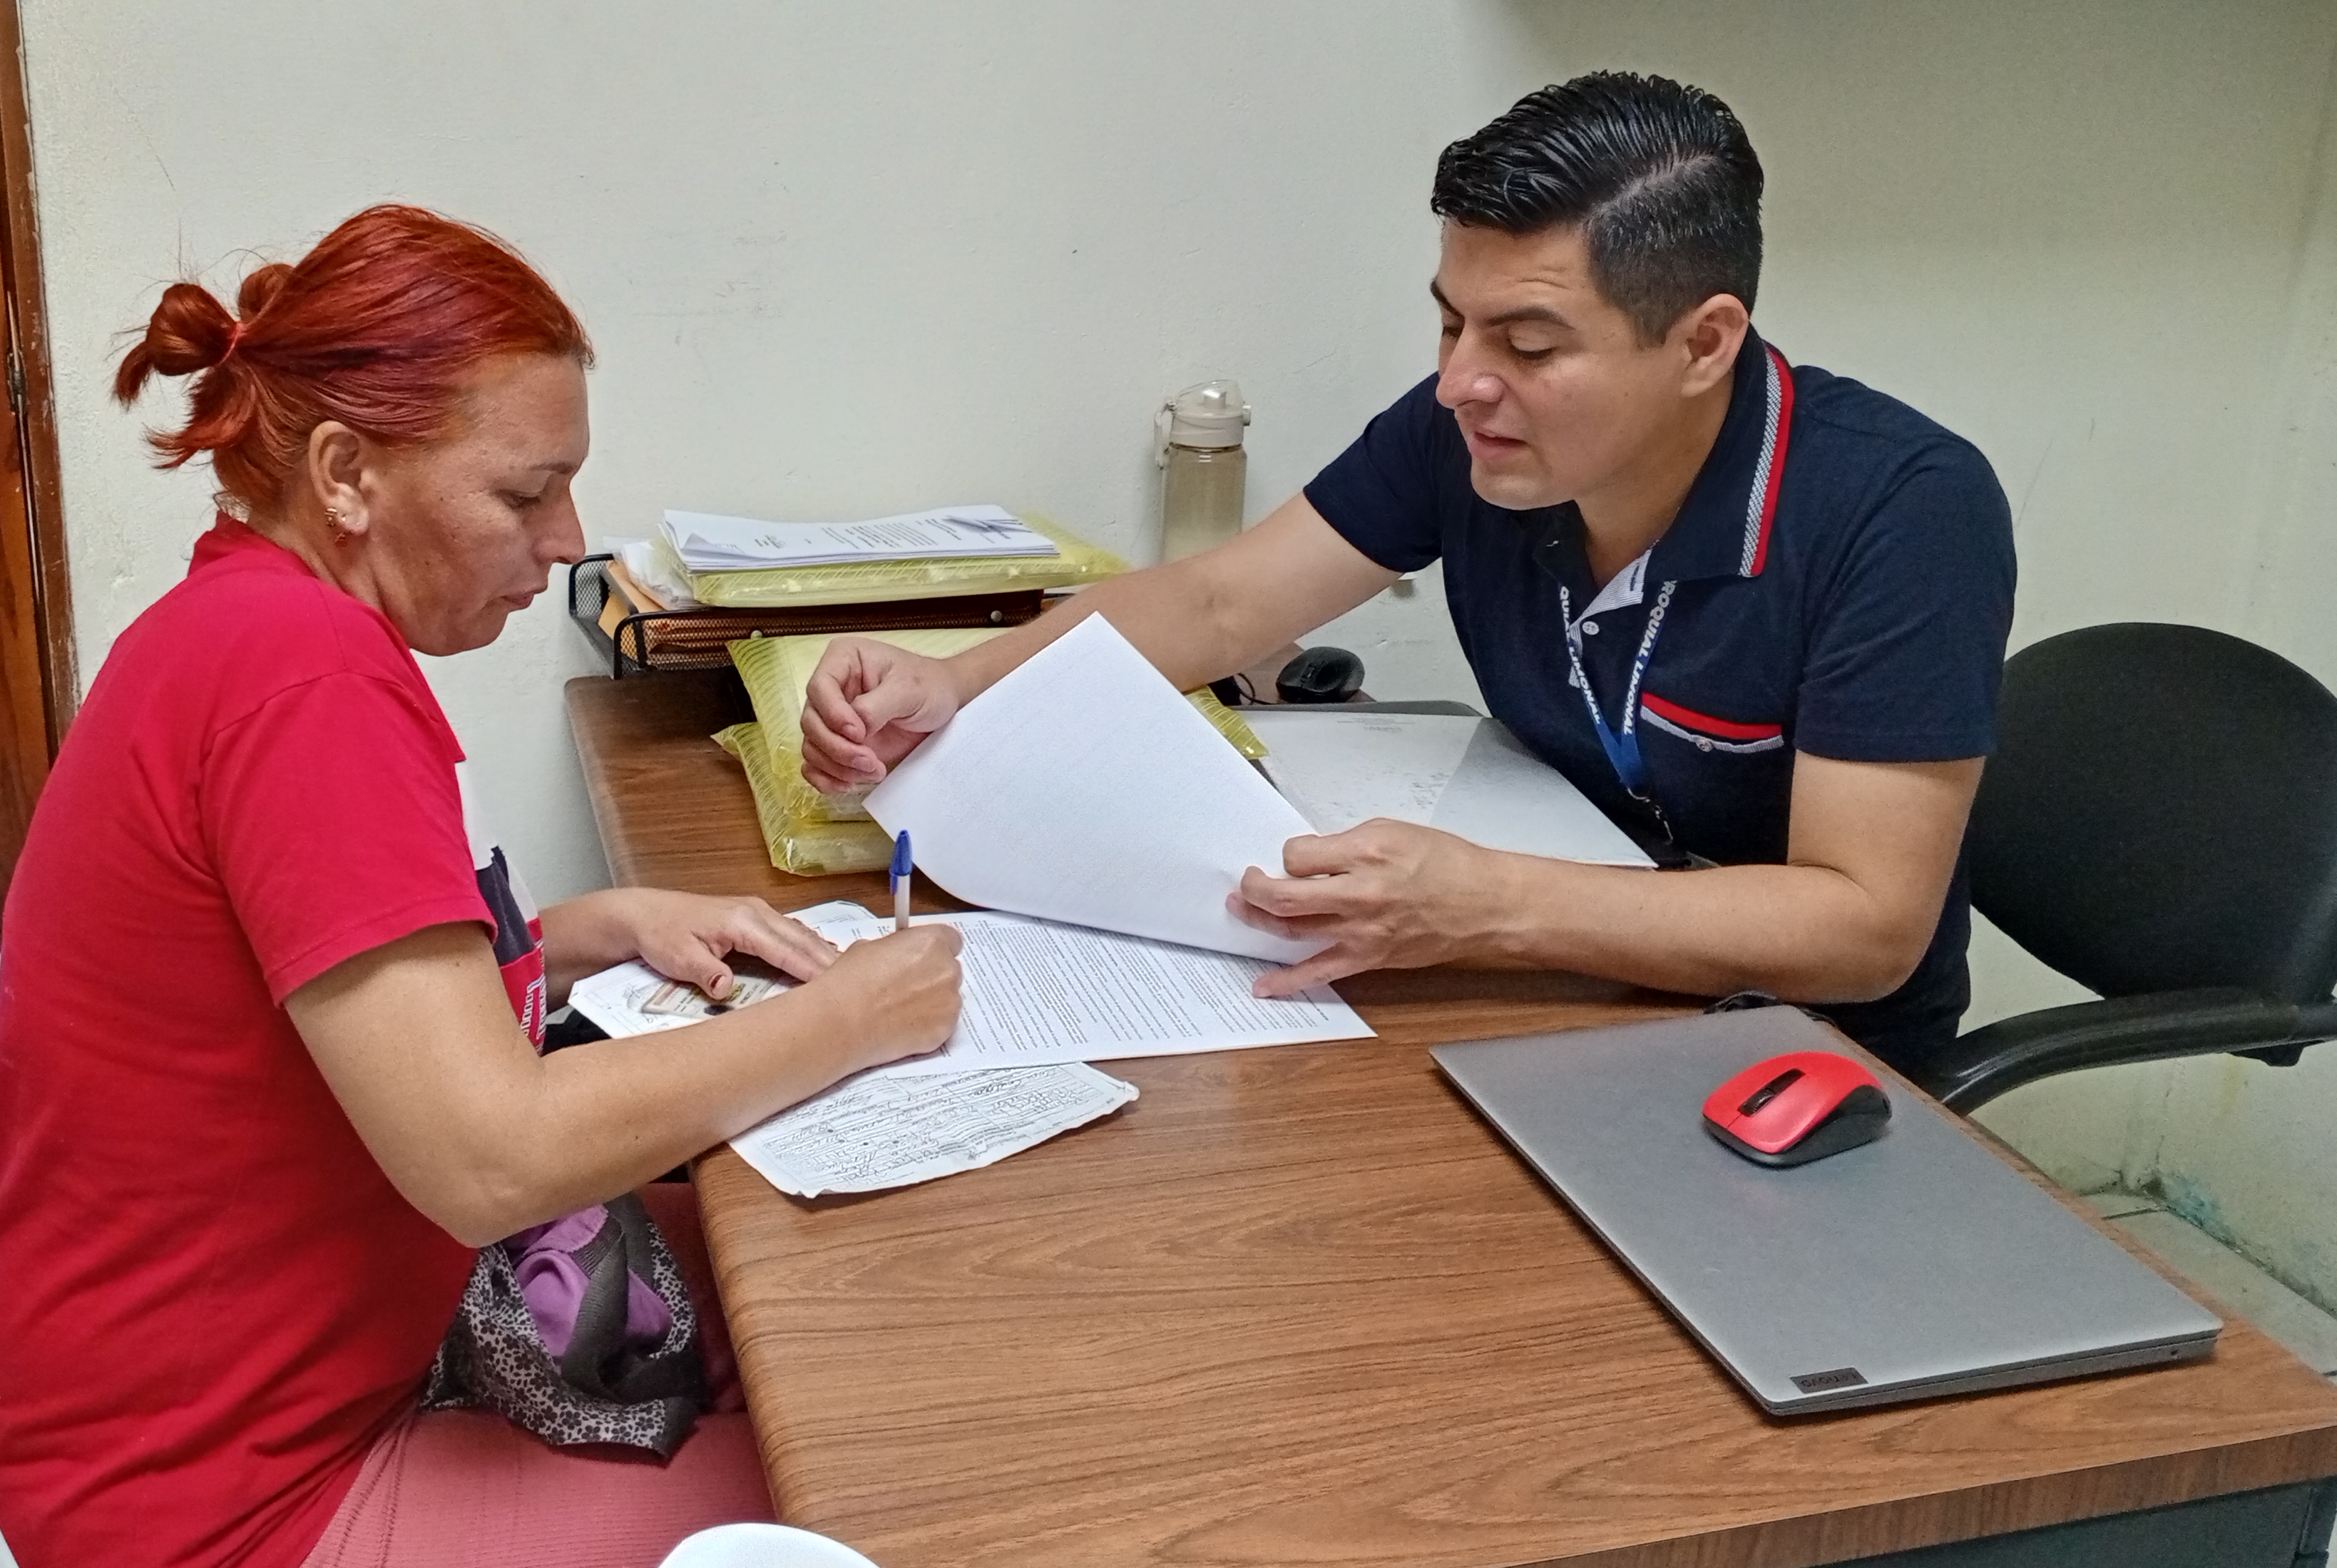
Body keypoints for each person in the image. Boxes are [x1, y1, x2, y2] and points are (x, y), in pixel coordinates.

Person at [0, 204, 961, 1568]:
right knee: (917, 1503)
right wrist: (859, 1015)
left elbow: (324, 990)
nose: (567, 541)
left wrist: (593, 930)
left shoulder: (240, 621)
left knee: (830, 1320)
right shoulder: (304, 686)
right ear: (345, 474)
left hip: (161, 1440)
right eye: (527, 493)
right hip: (209, 1564)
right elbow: (492, 1160)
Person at [804, 73, 2015, 1077]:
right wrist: (959, 683)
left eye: (1527, 344)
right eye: (1451, 324)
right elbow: (1220, 604)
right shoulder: (1471, 434)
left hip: (1803, 1065)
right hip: (1563, 995)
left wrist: (1489, 905)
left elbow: (1866, 927)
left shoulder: (1902, 511)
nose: (1461, 384)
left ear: (1704, 343)